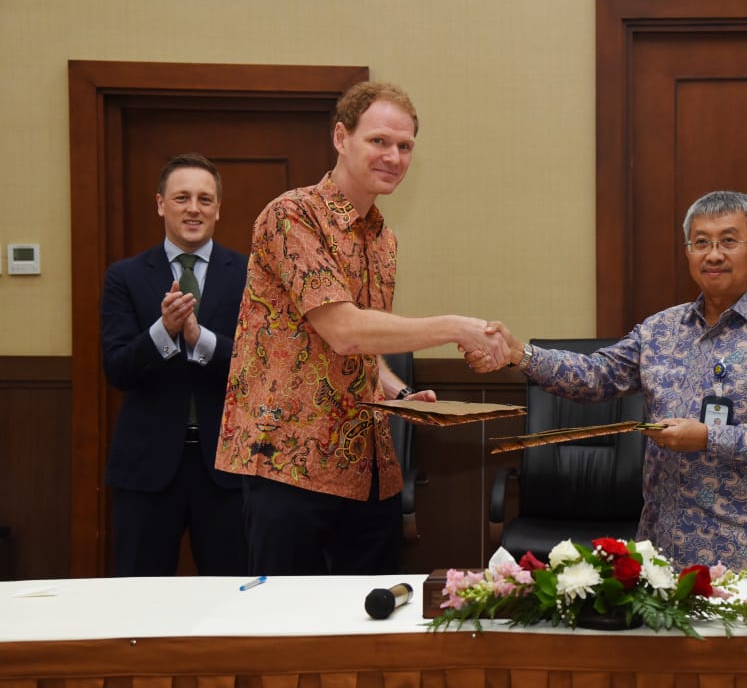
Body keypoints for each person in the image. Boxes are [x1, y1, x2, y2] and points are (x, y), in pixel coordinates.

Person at [215, 80, 507, 576]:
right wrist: (455, 326)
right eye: (379, 141)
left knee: (370, 612)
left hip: (369, 468)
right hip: (291, 464)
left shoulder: (384, 238)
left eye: (405, 146)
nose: (394, 156)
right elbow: (344, 330)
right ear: (340, 138)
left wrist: (398, 393)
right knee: (287, 617)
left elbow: (362, 349)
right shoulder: (291, 216)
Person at [474, 191, 747, 574]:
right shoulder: (661, 329)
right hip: (661, 552)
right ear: (688, 251)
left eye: (728, 241)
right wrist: (520, 353)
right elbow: (596, 376)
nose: (713, 255)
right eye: (701, 242)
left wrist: (708, 437)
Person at [101, 153, 247, 576]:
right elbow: (117, 369)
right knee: (140, 595)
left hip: (226, 469)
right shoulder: (124, 276)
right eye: (182, 198)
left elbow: (259, 369)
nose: (193, 209)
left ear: (218, 208)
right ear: (161, 204)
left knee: (233, 595)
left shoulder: (249, 274)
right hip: (146, 468)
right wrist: (163, 331)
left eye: (205, 199)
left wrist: (201, 340)